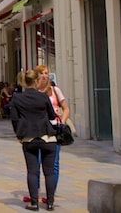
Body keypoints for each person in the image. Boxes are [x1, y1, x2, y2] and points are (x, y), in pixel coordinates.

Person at [11, 69, 59, 211]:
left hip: (29, 137)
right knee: (49, 172)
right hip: (47, 136)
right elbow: (51, 115)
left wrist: (19, 135)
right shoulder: (43, 97)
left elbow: (14, 119)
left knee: (32, 171)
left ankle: (34, 203)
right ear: (36, 81)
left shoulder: (17, 98)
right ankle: (50, 203)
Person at [27, 64, 70, 206]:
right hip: (38, 130)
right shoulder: (34, 91)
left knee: (54, 164)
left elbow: (66, 108)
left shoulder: (55, 90)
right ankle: (36, 192)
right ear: (37, 76)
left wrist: (62, 123)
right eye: (42, 73)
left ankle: (51, 194)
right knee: (37, 163)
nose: (45, 76)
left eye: (46, 73)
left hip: (53, 130)